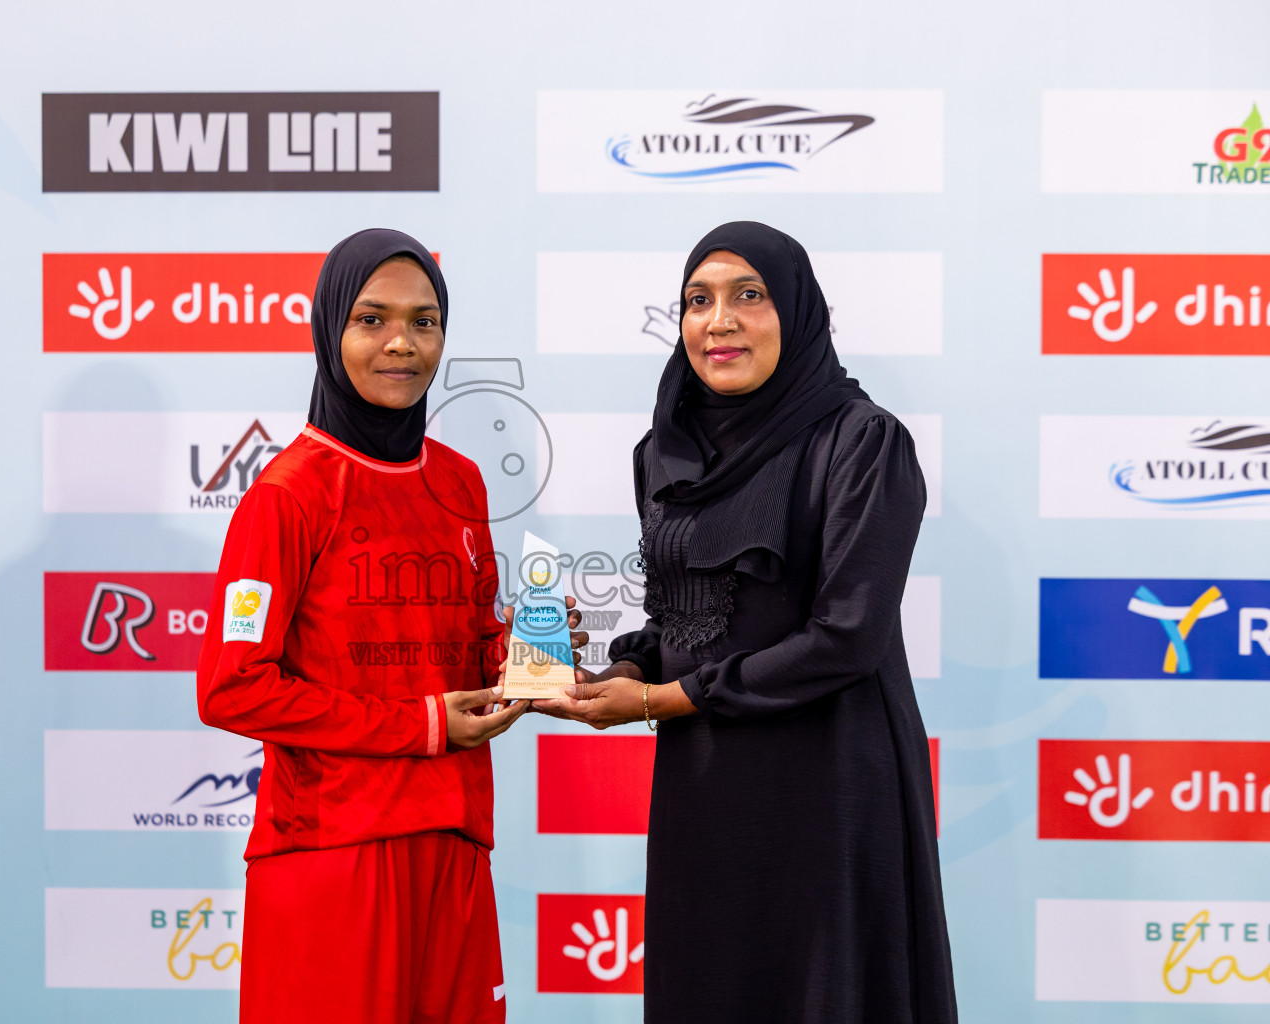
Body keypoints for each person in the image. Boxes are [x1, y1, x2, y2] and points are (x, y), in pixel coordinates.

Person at [535, 221, 957, 1022]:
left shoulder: (863, 442)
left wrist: (662, 701)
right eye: (698, 300)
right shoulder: (665, 452)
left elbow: (847, 639)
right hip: (706, 784)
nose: (717, 321)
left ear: (797, 313)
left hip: (826, 780)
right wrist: (620, 674)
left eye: (747, 296)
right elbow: (680, 620)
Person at [197, 228, 529, 1023]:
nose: (401, 345)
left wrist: (530, 658)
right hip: (332, 852)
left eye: (424, 322)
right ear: (328, 330)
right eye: (372, 319)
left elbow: (473, 646)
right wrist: (418, 724)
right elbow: (231, 688)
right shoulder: (287, 494)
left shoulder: (460, 480)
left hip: (451, 838)